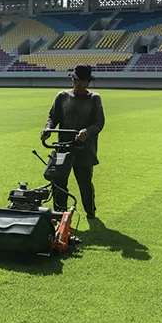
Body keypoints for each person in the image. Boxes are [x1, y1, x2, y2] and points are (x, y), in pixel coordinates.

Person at [40, 64, 105, 219]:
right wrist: (47, 129)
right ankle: (60, 214)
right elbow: (53, 118)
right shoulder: (62, 96)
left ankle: (90, 212)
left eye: (82, 80)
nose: (78, 83)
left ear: (88, 81)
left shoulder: (94, 99)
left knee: (85, 183)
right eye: (75, 79)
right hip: (62, 148)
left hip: (84, 148)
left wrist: (86, 132)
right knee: (58, 182)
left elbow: (99, 123)